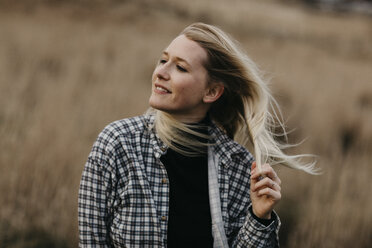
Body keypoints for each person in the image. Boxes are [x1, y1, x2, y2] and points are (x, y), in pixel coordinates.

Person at [78, 22, 317, 248]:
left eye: (180, 67)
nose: (161, 72)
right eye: (163, 60)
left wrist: (259, 216)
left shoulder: (238, 166)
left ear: (211, 91)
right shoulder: (117, 144)